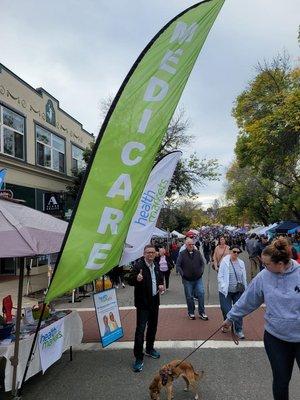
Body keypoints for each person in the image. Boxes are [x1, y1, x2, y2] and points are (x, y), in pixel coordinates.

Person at [222, 237, 300, 400]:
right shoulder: (264, 276)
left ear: (280, 264)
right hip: (276, 338)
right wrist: (230, 317)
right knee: (281, 380)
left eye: (266, 264)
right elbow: (248, 299)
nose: (263, 267)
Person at [128, 244, 164, 373]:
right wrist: (136, 279)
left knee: (153, 327)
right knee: (140, 330)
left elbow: (159, 279)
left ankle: (149, 349)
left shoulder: (156, 265)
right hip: (143, 303)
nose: (150, 254)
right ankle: (138, 358)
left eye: (152, 252)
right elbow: (129, 280)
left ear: (155, 254)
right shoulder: (138, 266)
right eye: (148, 252)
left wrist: (161, 285)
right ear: (144, 254)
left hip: (155, 300)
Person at [218, 245, 247, 339]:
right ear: (230, 251)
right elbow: (220, 276)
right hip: (225, 291)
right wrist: (223, 286)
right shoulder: (224, 262)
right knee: (226, 310)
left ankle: (238, 330)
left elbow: (244, 277)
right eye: (234, 252)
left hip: (238, 291)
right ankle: (226, 325)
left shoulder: (241, 263)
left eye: (238, 252)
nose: (236, 254)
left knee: (238, 310)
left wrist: (245, 289)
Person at [176, 238, 208, 321]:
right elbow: (178, 265)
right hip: (187, 280)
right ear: (186, 245)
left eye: (192, 244)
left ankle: (202, 312)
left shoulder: (197, 253)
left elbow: (202, 263)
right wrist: (183, 274)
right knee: (189, 296)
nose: (191, 246)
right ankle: (191, 311)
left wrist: (201, 272)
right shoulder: (182, 254)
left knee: (201, 293)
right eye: (189, 244)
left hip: (198, 278)